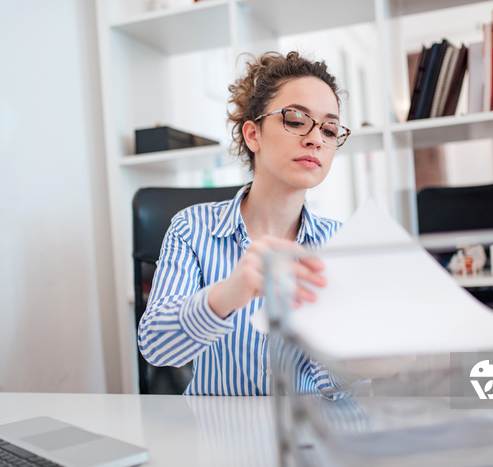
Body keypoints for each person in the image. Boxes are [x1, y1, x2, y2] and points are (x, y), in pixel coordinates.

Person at [138, 51, 351, 396]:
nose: (317, 139)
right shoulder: (192, 228)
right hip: (218, 436)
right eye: (296, 119)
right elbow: (158, 348)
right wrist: (225, 295)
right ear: (253, 135)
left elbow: (333, 387)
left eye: (330, 128)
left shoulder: (339, 242)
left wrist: (363, 363)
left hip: (308, 436)